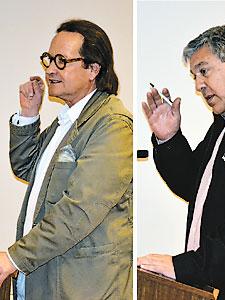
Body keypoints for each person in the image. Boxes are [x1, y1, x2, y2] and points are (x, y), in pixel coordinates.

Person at [0, 19, 133, 299]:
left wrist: (13, 259)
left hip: (80, 287)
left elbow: (79, 211)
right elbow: (28, 168)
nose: (49, 69)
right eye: (48, 59)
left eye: (61, 61)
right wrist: (28, 115)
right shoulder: (69, 119)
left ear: (93, 69)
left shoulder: (111, 124)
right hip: (44, 278)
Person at [139, 25, 225, 299]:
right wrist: (169, 139)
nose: (198, 85)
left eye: (204, 71)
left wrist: (185, 266)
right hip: (210, 286)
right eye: (194, 76)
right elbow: (194, 187)